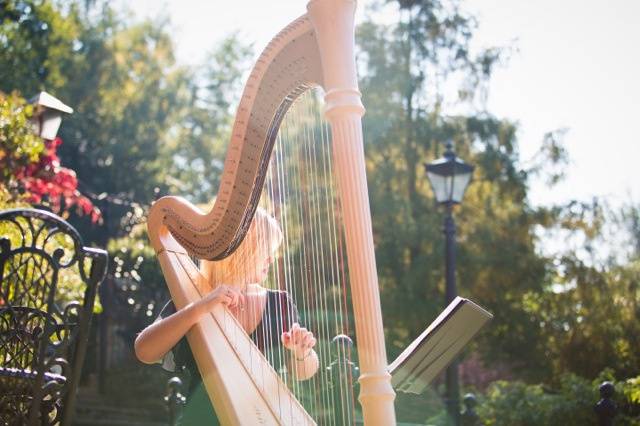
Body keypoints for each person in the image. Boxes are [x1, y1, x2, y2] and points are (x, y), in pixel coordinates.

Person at [135, 208, 319, 424]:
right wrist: (202, 307)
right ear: (244, 251)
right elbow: (144, 350)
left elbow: (303, 373)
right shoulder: (194, 296)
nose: (271, 259)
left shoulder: (279, 303)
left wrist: (301, 352)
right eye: (265, 251)